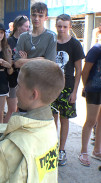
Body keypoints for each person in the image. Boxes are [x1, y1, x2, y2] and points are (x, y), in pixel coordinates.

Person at [51, 14, 85, 166]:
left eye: (65, 26)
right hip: (51, 88)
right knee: (52, 120)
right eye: (59, 26)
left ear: (70, 27)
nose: (62, 29)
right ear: (55, 26)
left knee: (64, 119)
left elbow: (79, 70)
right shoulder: (51, 42)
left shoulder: (75, 45)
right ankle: (52, 147)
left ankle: (62, 150)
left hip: (67, 88)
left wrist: (74, 92)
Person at [14, 2, 57, 68]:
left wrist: (26, 60)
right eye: (34, 15)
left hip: (43, 77)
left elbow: (50, 64)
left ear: (46, 18)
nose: (36, 19)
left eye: (40, 16)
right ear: (30, 16)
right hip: (26, 77)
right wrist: (39, 59)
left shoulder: (51, 36)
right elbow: (17, 63)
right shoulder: (23, 37)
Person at [5, 15, 30, 123]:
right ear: (18, 27)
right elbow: (8, 61)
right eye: (26, 26)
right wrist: (18, 62)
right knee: (11, 110)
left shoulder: (27, 40)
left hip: (24, 78)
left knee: (20, 109)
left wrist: (24, 60)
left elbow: (28, 60)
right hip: (11, 78)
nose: (28, 29)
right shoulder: (9, 41)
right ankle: (2, 133)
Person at [79, 43, 101, 166]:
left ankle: (97, 150)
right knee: (91, 121)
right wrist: (86, 87)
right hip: (94, 89)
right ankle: (83, 152)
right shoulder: (96, 49)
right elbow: (85, 72)